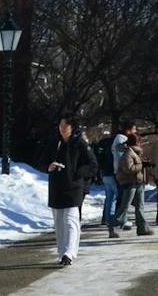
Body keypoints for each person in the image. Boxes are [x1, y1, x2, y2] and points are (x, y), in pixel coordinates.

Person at [47, 114, 96, 268]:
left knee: (70, 221)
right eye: (60, 124)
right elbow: (41, 159)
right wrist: (49, 167)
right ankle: (62, 253)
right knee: (59, 222)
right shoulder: (55, 143)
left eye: (64, 125)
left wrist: (76, 173)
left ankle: (69, 253)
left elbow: (93, 164)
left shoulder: (79, 143)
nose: (61, 128)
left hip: (73, 188)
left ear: (71, 127)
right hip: (56, 187)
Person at [110, 133, 154, 238]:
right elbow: (129, 169)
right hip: (130, 183)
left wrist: (144, 164)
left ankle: (143, 228)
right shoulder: (128, 153)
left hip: (137, 182)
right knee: (125, 206)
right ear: (137, 142)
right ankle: (115, 227)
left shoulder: (135, 152)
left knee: (140, 206)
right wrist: (141, 165)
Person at [93, 127, 117, 228]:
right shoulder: (115, 145)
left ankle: (105, 218)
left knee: (109, 197)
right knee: (115, 197)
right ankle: (111, 219)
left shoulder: (104, 143)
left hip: (104, 173)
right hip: (112, 173)